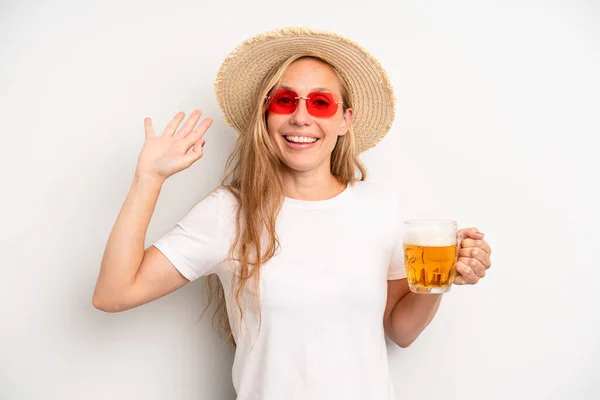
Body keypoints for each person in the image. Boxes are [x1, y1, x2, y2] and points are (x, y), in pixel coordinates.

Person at [93, 27, 493, 400]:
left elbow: (400, 330)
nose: (301, 117)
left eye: (320, 103)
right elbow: (114, 293)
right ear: (267, 116)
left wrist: (442, 280)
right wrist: (148, 179)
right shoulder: (228, 213)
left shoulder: (381, 206)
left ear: (344, 120)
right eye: (285, 100)